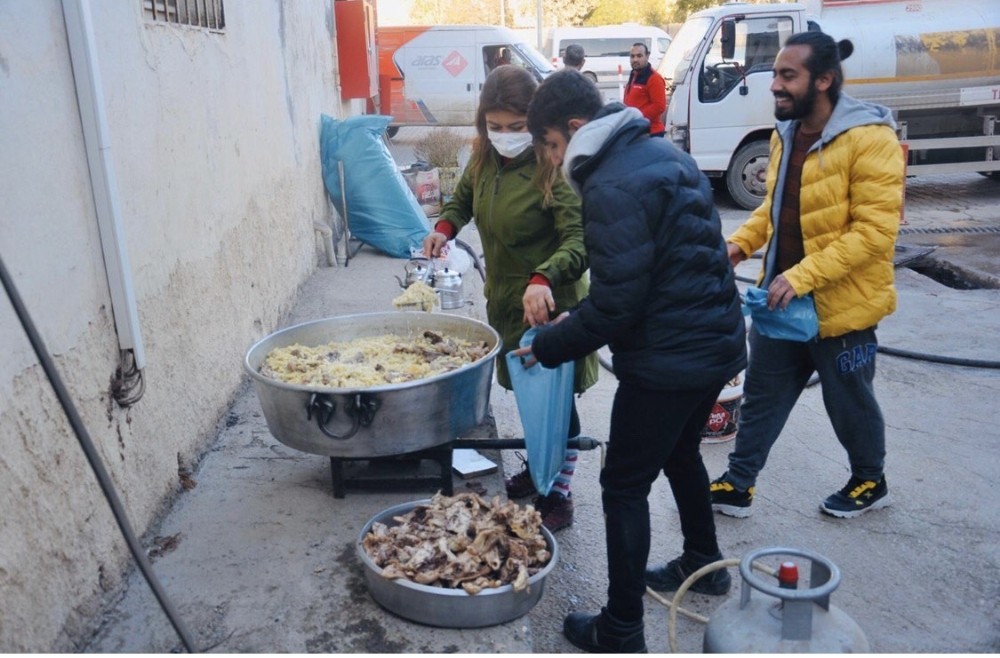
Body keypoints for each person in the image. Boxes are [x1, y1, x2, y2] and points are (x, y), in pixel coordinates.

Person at [522, 69, 747, 653]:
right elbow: (659, 276)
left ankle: (620, 627)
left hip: (669, 362)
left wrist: (548, 345)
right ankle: (705, 561)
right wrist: (585, 318)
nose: (550, 159)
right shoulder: (658, 152)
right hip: (715, 344)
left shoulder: (610, 183)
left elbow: (619, 306)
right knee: (679, 453)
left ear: (574, 128)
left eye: (549, 144)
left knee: (623, 484)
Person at [709, 31, 904, 520]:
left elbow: (875, 232)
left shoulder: (870, 139)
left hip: (840, 306)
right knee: (762, 397)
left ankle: (869, 479)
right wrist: (739, 244)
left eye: (786, 75)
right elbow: (775, 212)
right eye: (776, 74)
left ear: (824, 80)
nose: (774, 84)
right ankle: (739, 482)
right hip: (783, 299)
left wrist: (804, 276)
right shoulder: (785, 134)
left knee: (850, 403)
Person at [422, 65, 599, 532]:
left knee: (558, 404)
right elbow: (461, 200)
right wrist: (443, 228)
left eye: (516, 128)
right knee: (527, 395)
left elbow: (580, 240)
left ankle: (559, 493)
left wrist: (544, 277)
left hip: (549, 305)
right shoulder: (482, 158)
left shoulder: (553, 165)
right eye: (494, 127)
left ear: (536, 124)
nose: (504, 136)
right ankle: (541, 469)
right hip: (505, 300)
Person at [623, 42, 667, 137]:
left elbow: (659, 106)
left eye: (639, 56)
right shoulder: (634, 74)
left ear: (647, 56)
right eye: (632, 56)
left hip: (651, 133)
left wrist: (636, 117)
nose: (635, 59)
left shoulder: (654, 78)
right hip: (637, 131)